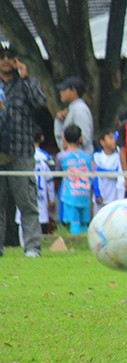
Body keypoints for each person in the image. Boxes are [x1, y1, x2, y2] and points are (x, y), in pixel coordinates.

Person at [0, 40, 48, 258]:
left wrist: (26, 77)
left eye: (10, 56)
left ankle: (32, 247)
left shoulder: (27, 83)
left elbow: (40, 103)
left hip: (21, 150)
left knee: (27, 201)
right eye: (2, 56)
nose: (6, 60)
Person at [16, 131, 55, 242]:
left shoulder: (21, 156)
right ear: (42, 138)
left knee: (22, 218)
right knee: (40, 219)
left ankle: (23, 245)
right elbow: (50, 179)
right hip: (41, 196)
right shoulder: (46, 157)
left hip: (24, 194)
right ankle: (38, 244)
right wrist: (51, 198)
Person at [56, 124, 96, 234]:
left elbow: (57, 170)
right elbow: (93, 172)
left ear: (63, 138)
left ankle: (76, 243)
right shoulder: (87, 155)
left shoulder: (62, 156)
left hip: (69, 194)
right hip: (85, 194)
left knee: (74, 223)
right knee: (84, 223)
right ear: (80, 139)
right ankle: (85, 244)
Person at [53, 76, 94, 153]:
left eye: (64, 89)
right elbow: (61, 140)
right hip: (72, 159)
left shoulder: (80, 109)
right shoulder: (73, 108)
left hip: (79, 161)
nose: (61, 92)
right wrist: (59, 120)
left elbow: (84, 139)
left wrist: (68, 144)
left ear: (74, 92)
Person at [92, 127, 125, 213]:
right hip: (101, 196)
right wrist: (97, 194)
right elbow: (94, 176)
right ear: (102, 142)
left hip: (114, 197)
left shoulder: (118, 157)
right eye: (110, 138)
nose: (114, 141)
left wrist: (99, 169)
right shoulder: (97, 156)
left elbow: (117, 174)